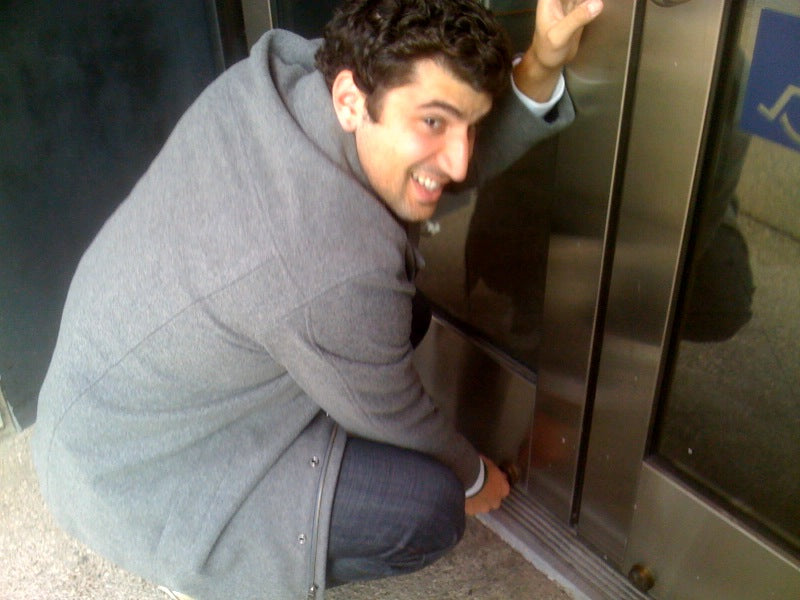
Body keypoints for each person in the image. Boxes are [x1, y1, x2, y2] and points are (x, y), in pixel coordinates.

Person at [32, 0, 603, 598]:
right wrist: (474, 477)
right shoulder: (326, 255)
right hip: (138, 477)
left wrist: (542, 63)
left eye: (472, 125)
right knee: (429, 506)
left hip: (117, 400)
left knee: (396, 316)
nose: (461, 162)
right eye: (434, 122)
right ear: (352, 101)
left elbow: (420, 167)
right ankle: (222, 572)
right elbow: (392, 412)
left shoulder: (296, 83)